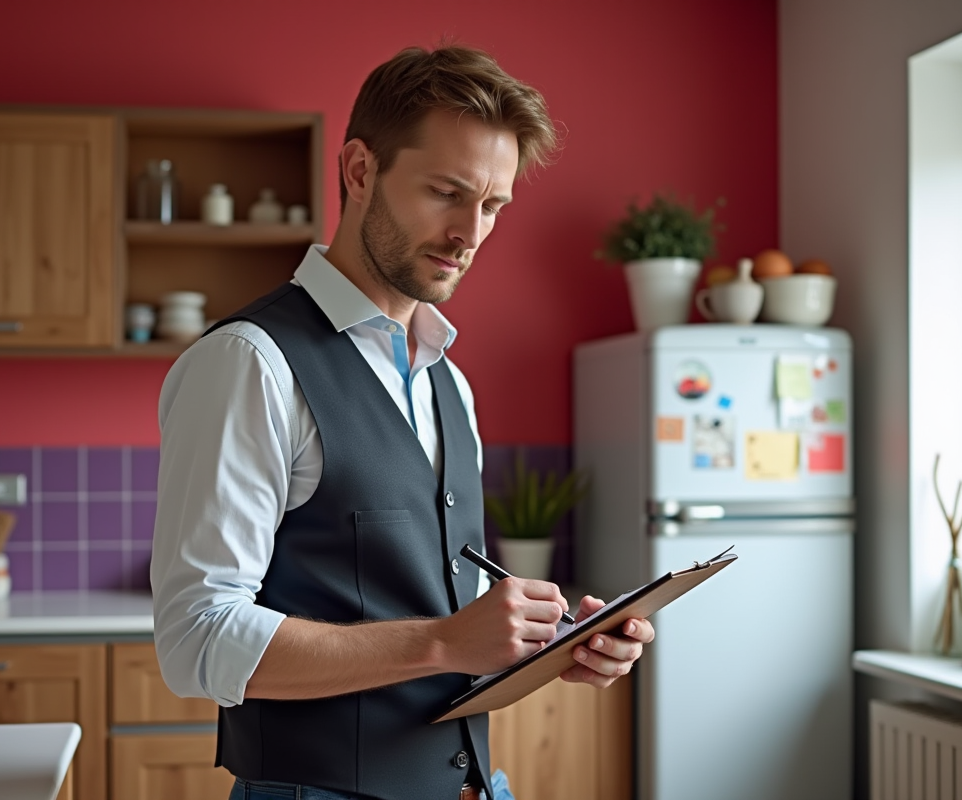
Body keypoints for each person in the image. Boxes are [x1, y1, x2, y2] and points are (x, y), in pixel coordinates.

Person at [151, 43, 655, 800]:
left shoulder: (449, 381)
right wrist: (447, 639)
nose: (471, 232)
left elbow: (442, 660)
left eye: (492, 206)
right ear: (360, 171)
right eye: (447, 193)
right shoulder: (250, 363)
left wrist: (549, 650)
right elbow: (195, 641)